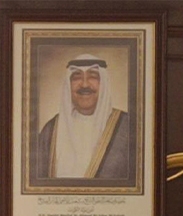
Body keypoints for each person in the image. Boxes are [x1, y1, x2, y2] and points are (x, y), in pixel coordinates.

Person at [31, 54, 136, 182]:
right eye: (77, 77)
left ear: (103, 83)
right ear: (68, 85)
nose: (85, 84)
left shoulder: (128, 127)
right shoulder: (51, 130)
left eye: (93, 76)